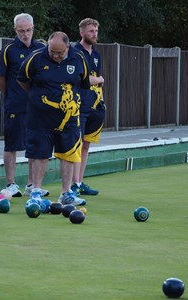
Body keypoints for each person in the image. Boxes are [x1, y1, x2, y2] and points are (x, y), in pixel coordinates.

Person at [17, 31, 90, 205]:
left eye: (59, 53)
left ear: (68, 47)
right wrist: (37, 97)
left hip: (69, 119)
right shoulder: (36, 58)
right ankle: (36, 191)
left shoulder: (78, 59)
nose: (55, 56)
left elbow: (84, 84)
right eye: (52, 52)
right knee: (39, 154)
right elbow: (22, 80)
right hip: (40, 119)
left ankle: (66, 193)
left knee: (68, 155)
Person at [0, 13, 48, 197]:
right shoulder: (8, 50)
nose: (25, 34)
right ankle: (11, 184)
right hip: (15, 106)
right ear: (15, 30)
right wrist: (12, 95)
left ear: (33, 28)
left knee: (34, 145)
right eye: (21, 31)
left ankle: (32, 185)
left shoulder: (42, 49)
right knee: (11, 145)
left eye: (28, 30)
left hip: (37, 107)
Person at [71, 18, 106, 196]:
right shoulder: (74, 52)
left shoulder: (97, 54)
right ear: (82, 32)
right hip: (79, 106)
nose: (94, 34)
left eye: (96, 31)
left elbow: (97, 81)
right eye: (91, 31)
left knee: (86, 145)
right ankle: (73, 184)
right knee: (76, 145)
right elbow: (81, 79)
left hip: (95, 105)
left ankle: (79, 181)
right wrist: (98, 80)